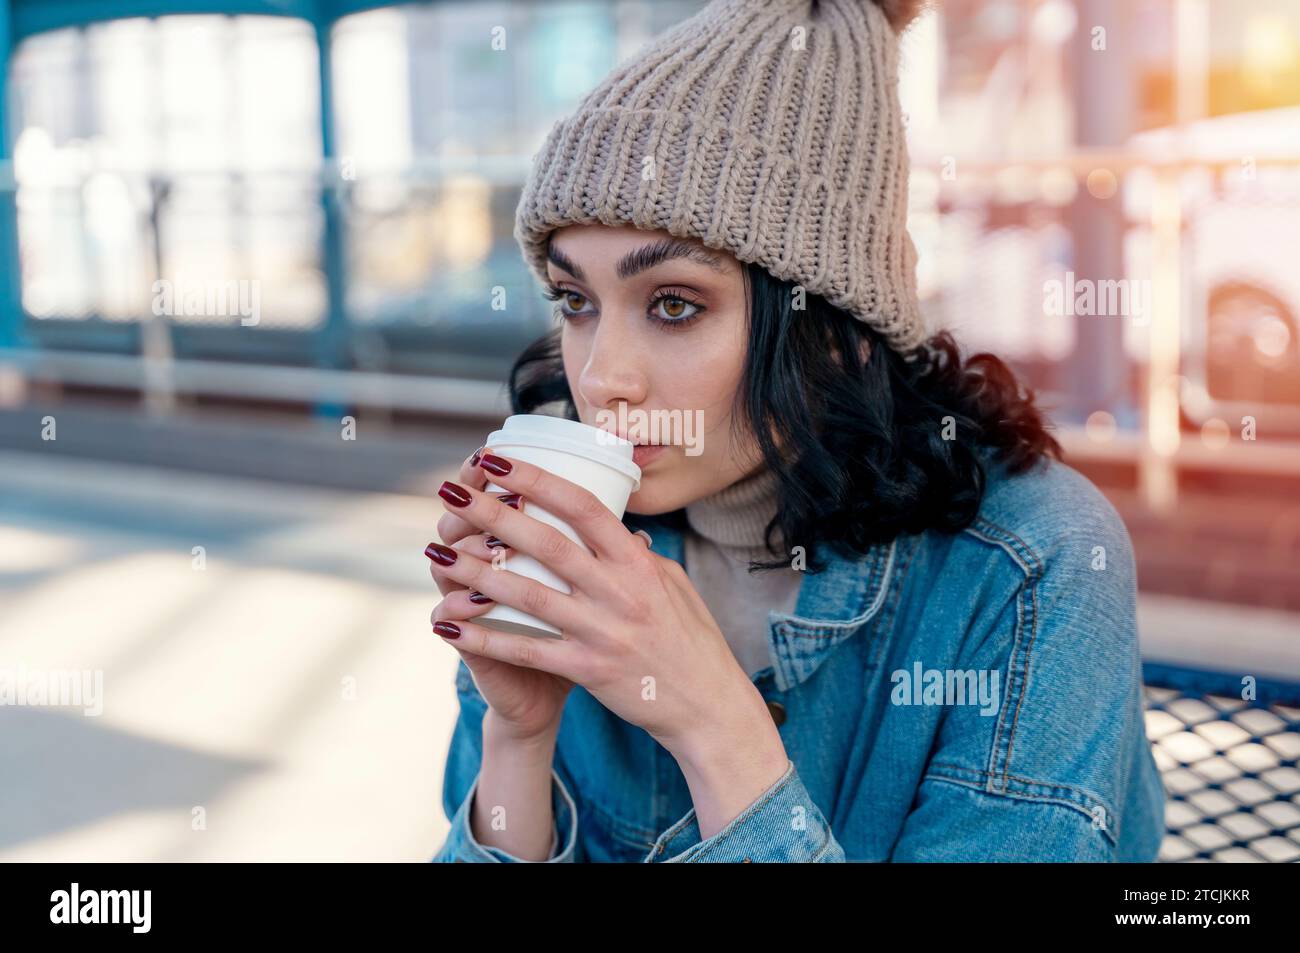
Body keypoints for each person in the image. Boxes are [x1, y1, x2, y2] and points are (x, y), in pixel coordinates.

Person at [426, 0, 1167, 862]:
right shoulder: (557, 535)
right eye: (576, 302)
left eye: (674, 304)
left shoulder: (1031, 563)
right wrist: (518, 735)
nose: (600, 379)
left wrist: (716, 727)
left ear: (839, 327)